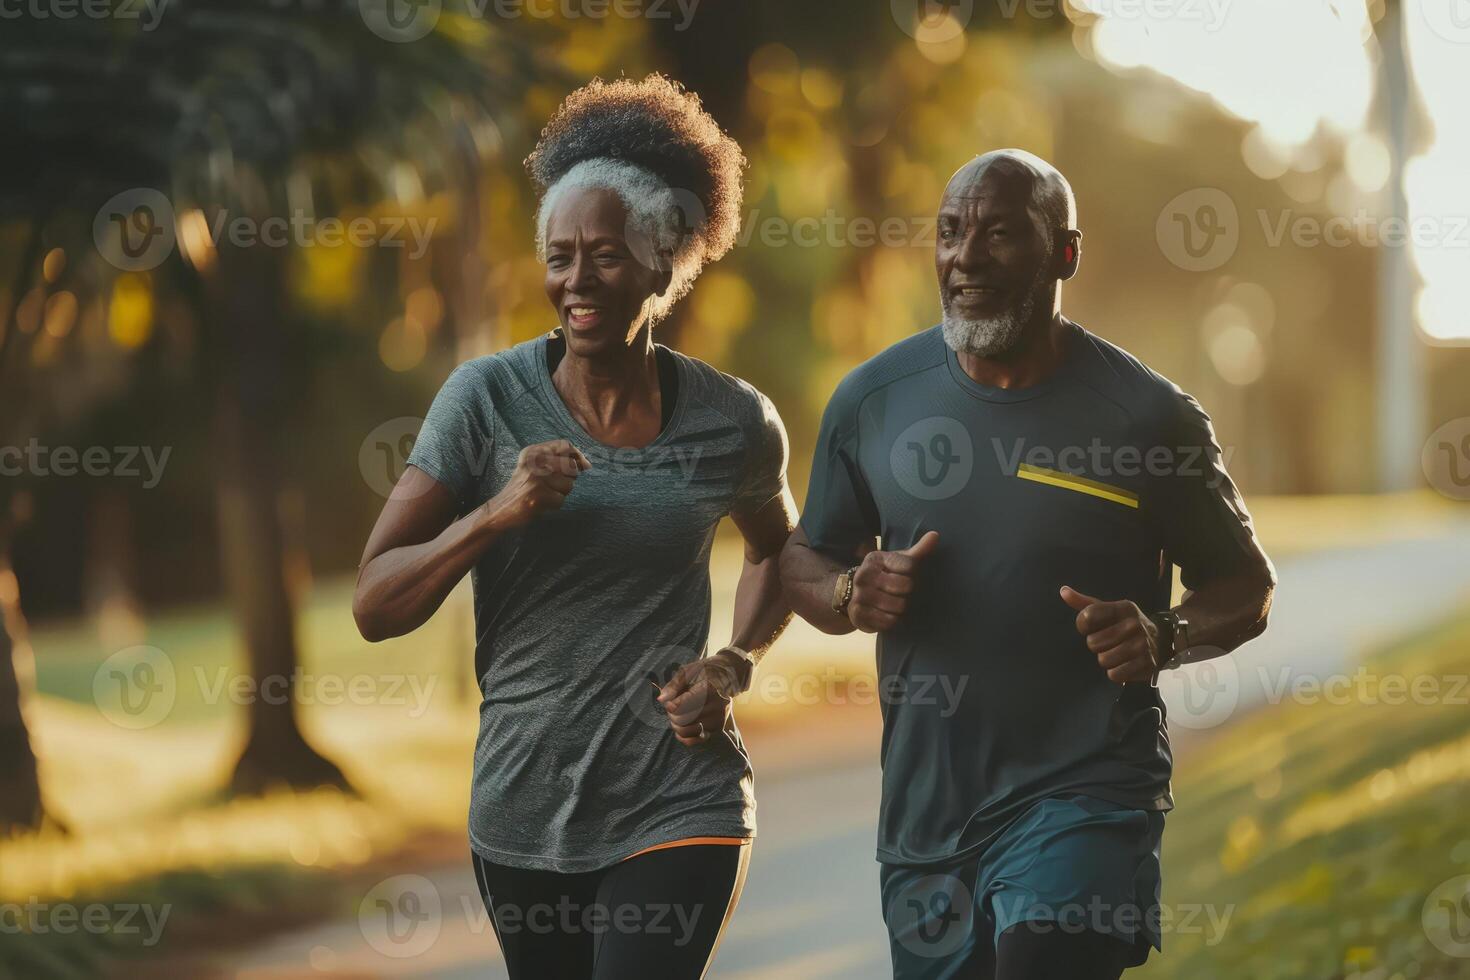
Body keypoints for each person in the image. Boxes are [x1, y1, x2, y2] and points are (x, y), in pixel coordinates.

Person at [779, 149, 1277, 980]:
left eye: (1000, 235)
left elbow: (1246, 586)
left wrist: (1165, 634)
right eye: (949, 233)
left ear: (1065, 255)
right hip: (926, 821)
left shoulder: (1147, 417)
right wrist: (846, 591)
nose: (966, 258)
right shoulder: (872, 400)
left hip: (1085, 794)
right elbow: (807, 554)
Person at [352, 75, 796, 980]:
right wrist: (495, 512)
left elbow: (779, 553)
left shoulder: (732, 421)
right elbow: (374, 602)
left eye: (604, 254)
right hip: (523, 807)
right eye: (559, 257)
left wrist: (733, 662)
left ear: (664, 261)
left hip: (681, 800)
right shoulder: (484, 402)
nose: (576, 280)